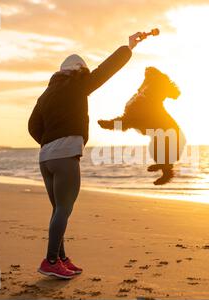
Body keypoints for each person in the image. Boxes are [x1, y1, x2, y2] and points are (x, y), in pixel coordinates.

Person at [28, 32, 145, 279]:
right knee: (63, 208)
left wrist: (48, 143)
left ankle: (60, 258)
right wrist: (128, 47)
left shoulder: (46, 95)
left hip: (45, 159)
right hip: (65, 154)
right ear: (80, 70)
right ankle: (50, 261)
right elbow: (106, 70)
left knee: (58, 208)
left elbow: (32, 126)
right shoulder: (78, 85)